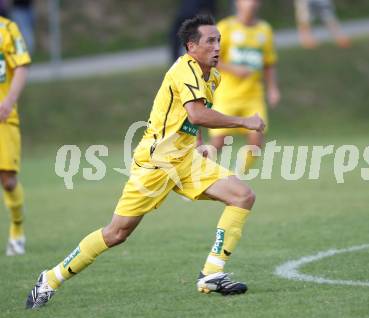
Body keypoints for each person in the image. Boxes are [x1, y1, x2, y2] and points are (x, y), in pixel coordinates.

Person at [25, 14, 265, 310]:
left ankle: (211, 274)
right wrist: (245, 121)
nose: (218, 47)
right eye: (211, 41)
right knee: (117, 233)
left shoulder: (212, 75)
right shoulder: (184, 69)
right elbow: (198, 114)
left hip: (186, 159)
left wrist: (199, 144)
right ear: (191, 46)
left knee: (243, 196)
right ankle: (50, 279)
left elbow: (191, 117)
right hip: (157, 162)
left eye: (220, 41)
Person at [209, 0, 280, 173]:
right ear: (238, 3)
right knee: (219, 143)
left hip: (253, 96)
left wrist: (272, 89)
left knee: (256, 142)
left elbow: (269, 63)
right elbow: (211, 58)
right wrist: (234, 69)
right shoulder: (225, 27)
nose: (251, 3)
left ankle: (236, 177)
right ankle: (193, 176)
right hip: (227, 95)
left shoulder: (265, 30)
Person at [0, 15, 31, 256]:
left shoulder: (7, 29)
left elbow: (21, 65)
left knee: (8, 180)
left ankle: (17, 228)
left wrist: (9, 101)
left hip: (3, 116)